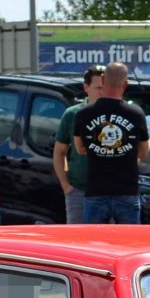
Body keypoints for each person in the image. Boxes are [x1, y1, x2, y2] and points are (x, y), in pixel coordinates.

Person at [73, 61, 149, 224]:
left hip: (96, 191)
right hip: (127, 191)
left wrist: (100, 150)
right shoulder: (136, 113)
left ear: (102, 79)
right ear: (126, 84)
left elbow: (79, 148)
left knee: (94, 244)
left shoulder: (84, 114)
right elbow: (144, 151)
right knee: (129, 244)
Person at [53, 65, 105, 223]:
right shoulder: (72, 114)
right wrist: (66, 186)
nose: (102, 92)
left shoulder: (115, 113)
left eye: (105, 88)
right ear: (86, 87)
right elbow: (59, 151)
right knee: (77, 240)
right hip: (78, 191)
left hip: (108, 193)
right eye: (98, 88)